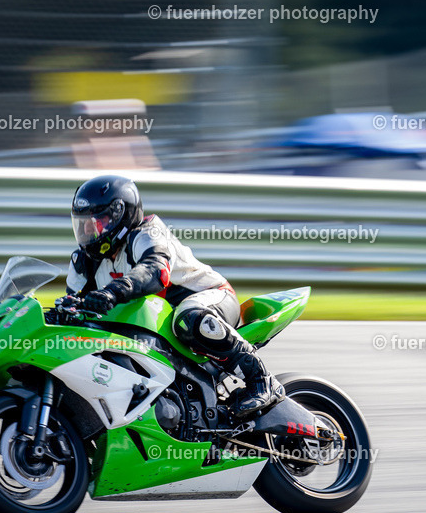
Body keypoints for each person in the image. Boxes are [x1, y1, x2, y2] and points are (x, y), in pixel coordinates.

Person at [61, 174, 283, 413]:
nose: (87, 230)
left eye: (96, 221)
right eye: (82, 223)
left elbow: (155, 271)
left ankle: (261, 380)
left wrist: (112, 292)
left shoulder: (148, 233)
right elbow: (75, 304)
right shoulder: (84, 262)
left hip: (211, 297)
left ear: (120, 216)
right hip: (162, 325)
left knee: (188, 318)